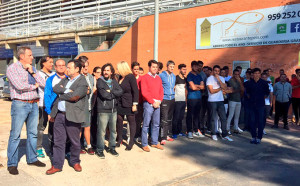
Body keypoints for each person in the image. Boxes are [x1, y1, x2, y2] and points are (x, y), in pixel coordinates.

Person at [6, 46, 46, 175]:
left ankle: (32, 158)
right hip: (20, 104)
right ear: (22, 56)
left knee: (33, 133)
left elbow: (43, 83)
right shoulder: (12, 68)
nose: (32, 57)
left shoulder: (32, 68)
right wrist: (33, 86)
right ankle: (12, 164)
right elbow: (19, 86)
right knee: (15, 135)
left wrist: (33, 73)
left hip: (34, 104)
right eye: (30, 55)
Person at [46, 59, 88, 175]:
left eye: (69, 67)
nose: (66, 69)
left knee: (74, 141)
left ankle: (75, 161)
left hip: (73, 116)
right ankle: (57, 165)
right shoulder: (66, 79)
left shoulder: (82, 82)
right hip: (59, 115)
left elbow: (74, 97)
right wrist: (66, 90)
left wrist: (61, 96)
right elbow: (55, 88)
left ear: (77, 69)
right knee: (58, 141)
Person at [95, 63, 123, 158]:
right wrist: (113, 93)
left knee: (113, 131)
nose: (106, 72)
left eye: (108, 70)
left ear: (111, 72)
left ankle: (112, 148)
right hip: (103, 110)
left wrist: (111, 92)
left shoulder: (114, 81)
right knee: (102, 132)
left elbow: (120, 91)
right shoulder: (100, 81)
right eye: (104, 70)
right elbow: (104, 95)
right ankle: (100, 150)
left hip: (113, 110)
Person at [44, 59, 68, 156]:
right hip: (54, 110)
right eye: (59, 65)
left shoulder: (69, 79)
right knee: (53, 132)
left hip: (66, 110)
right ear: (55, 67)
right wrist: (49, 112)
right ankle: (53, 151)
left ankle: (66, 151)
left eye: (63, 65)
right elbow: (47, 96)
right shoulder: (51, 79)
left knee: (66, 131)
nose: (61, 67)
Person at [140, 60, 164, 152]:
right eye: (153, 67)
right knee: (146, 124)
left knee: (156, 124)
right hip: (148, 104)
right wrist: (152, 101)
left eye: (156, 67)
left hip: (157, 104)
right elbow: (144, 92)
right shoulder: (145, 78)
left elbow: (161, 91)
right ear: (149, 67)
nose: (155, 68)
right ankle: (144, 144)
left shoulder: (158, 78)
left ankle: (154, 142)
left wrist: (159, 101)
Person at [116, 61, 139, 151]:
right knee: (119, 121)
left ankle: (131, 142)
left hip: (129, 103)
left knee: (131, 122)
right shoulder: (121, 77)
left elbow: (135, 91)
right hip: (120, 103)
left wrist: (135, 104)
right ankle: (120, 139)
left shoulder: (131, 77)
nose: (117, 70)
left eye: (118, 68)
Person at [207, 65, 233, 141]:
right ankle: (213, 133)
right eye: (215, 71)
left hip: (220, 100)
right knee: (213, 118)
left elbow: (225, 88)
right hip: (212, 101)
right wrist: (220, 88)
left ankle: (224, 134)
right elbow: (211, 91)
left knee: (223, 118)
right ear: (213, 71)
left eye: (218, 71)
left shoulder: (221, 78)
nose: (217, 72)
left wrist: (219, 79)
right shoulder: (209, 79)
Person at [245, 68, 269, 144]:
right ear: (253, 74)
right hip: (251, 105)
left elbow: (267, 93)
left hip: (260, 105)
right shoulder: (249, 83)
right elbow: (247, 93)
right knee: (252, 121)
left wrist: (261, 98)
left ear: (260, 74)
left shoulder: (264, 83)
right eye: (255, 73)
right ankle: (253, 137)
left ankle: (259, 137)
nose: (257, 75)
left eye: (258, 73)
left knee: (260, 121)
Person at [36, 56, 54, 158]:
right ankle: (38, 148)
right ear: (43, 63)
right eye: (50, 62)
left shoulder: (53, 74)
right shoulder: (39, 74)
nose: (52, 64)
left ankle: (52, 148)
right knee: (42, 127)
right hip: (43, 104)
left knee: (52, 127)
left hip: (53, 105)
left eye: (52, 62)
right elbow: (46, 86)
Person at [78, 56, 95, 155]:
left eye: (87, 66)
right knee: (79, 128)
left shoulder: (90, 77)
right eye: (83, 66)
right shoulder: (78, 77)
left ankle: (89, 146)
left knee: (87, 127)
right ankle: (77, 146)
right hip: (80, 107)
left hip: (88, 106)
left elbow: (91, 90)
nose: (85, 68)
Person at [186, 61, 205, 139]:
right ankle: (189, 131)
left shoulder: (199, 75)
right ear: (192, 66)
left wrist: (195, 86)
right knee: (190, 115)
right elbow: (192, 88)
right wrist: (198, 86)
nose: (197, 68)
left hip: (199, 98)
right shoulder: (189, 75)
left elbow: (203, 87)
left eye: (197, 66)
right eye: (195, 66)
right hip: (191, 98)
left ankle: (196, 130)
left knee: (197, 115)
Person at [159, 60, 176, 144]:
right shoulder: (161, 75)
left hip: (172, 99)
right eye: (170, 66)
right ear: (167, 66)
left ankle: (167, 135)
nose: (172, 68)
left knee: (169, 119)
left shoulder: (174, 76)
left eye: (173, 67)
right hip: (164, 99)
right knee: (164, 119)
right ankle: (163, 137)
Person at [226, 69, 244, 134]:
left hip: (238, 100)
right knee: (231, 115)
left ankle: (236, 128)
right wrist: (238, 89)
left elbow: (242, 89)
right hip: (232, 100)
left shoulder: (240, 80)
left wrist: (239, 82)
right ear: (233, 74)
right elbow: (234, 89)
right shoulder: (230, 81)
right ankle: (227, 128)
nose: (237, 76)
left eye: (238, 74)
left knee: (237, 115)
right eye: (235, 74)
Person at [172, 64, 187, 138]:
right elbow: (173, 88)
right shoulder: (176, 78)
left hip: (183, 100)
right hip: (177, 100)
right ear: (179, 70)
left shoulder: (185, 79)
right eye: (183, 69)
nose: (185, 71)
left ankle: (179, 131)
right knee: (176, 117)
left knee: (181, 117)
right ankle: (174, 133)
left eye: (185, 69)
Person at [132, 62, 143, 142]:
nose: (136, 70)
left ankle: (138, 134)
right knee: (132, 120)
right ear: (132, 69)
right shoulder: (130, 78)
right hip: (132, 102)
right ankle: (132, 135)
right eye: (135, 69)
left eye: (138, 69)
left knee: (139, 119)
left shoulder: (142, 78)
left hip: (140, 101)